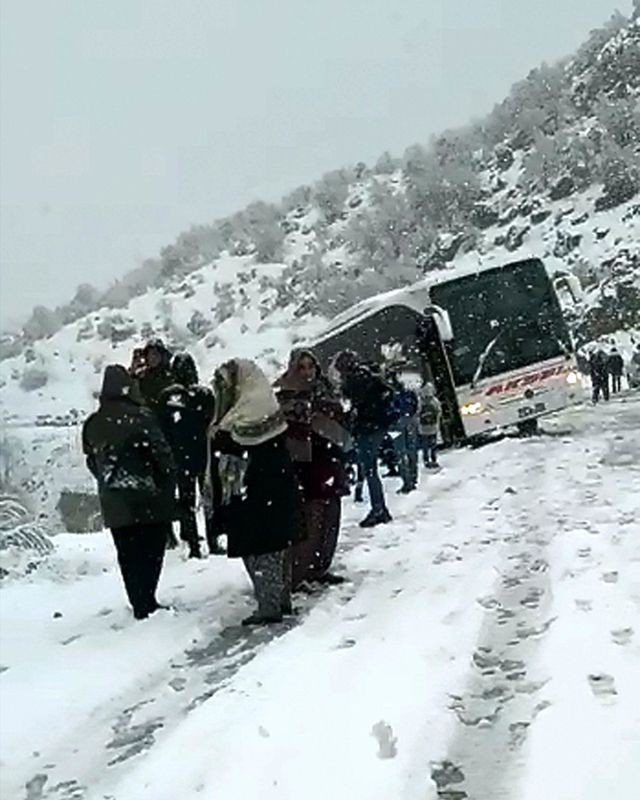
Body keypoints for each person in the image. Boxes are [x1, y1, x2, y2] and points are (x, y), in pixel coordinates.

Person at [208, 358, 303, 626]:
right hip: (267, 489)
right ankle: (277, 600)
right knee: (271, 548)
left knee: (262, 549)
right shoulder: (258, 403)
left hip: (257, 490)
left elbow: (240, 444)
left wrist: (221, 438)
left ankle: (269, 605)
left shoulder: (250, 409)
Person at [82, 365, 176, 620]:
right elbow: (162, 455)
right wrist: (166, 479)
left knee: (128, 553)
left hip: (114, 503)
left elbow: (91, 460)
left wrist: (108, 482)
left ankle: (138, 601)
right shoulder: (141, 417)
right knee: (151, 550)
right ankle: (148, 599)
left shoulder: (93, 424)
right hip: (148, 498)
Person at [275, 349, 351, 588]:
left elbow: (338, 420)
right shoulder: (285, 394)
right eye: (302, 367)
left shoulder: (325, 390)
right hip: (304, 465)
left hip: (328, 459)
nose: (308, 372)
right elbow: (287, 429)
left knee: (331, 516)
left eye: (311, 366)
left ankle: (320, 567)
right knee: (311, 519)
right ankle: (301, 571)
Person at [158, 353, 219, 558]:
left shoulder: (167, 397)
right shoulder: (204, 394)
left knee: (187, 501)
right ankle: (212, 539)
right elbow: (214, 422)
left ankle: (193, 543)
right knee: (207, 497)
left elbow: (162, 428)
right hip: (203, 453)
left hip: (180, 455)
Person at [334, 351, 394, 527]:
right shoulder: (369, 375)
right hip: (378, 426)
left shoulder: (354, 380)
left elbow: (354, 402)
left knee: (370, 470)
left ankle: (378, 509)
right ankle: (379, 508)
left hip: (367, 429)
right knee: (370, 470)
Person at [387, 366, 420, 494]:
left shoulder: (388, 393)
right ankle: (413, 477)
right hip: (409, 420)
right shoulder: (406, 390)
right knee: (411, 450)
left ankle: (407, 481)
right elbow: (414, 403)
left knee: (400, 453)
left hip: (395, 424)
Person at [138, 339, 174, 410]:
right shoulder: (142, 375)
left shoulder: (170, 375)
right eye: (149, 354)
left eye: (155, 354)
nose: (152, 358)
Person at [419, 381, 442, 469]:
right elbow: (439, 412)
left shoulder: (420, 401)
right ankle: (433, 460)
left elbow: (417, 413)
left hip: (423, 428)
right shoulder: (434, 400)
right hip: (433, 426)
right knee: (433, 445)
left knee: (425, 445)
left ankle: (426, 460)